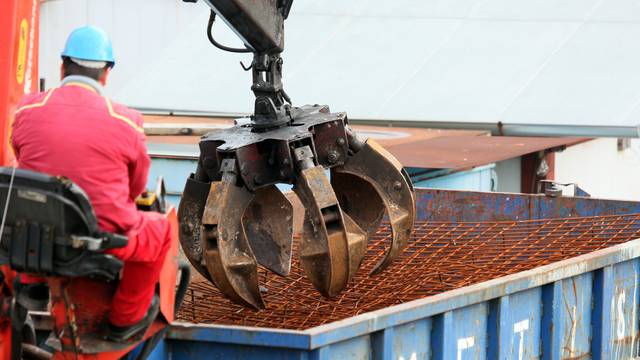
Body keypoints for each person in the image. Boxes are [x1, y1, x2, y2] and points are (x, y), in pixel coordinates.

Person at [11, 26, 170, 341]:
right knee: (161, 232)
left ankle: (32, 285)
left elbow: (23, 161)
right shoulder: (126, 121)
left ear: (62, 67)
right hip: (98, 239)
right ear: (106, 74)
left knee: (33, 205)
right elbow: (135, 189)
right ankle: (124, 320)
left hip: (36, 240)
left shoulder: (27, 109)